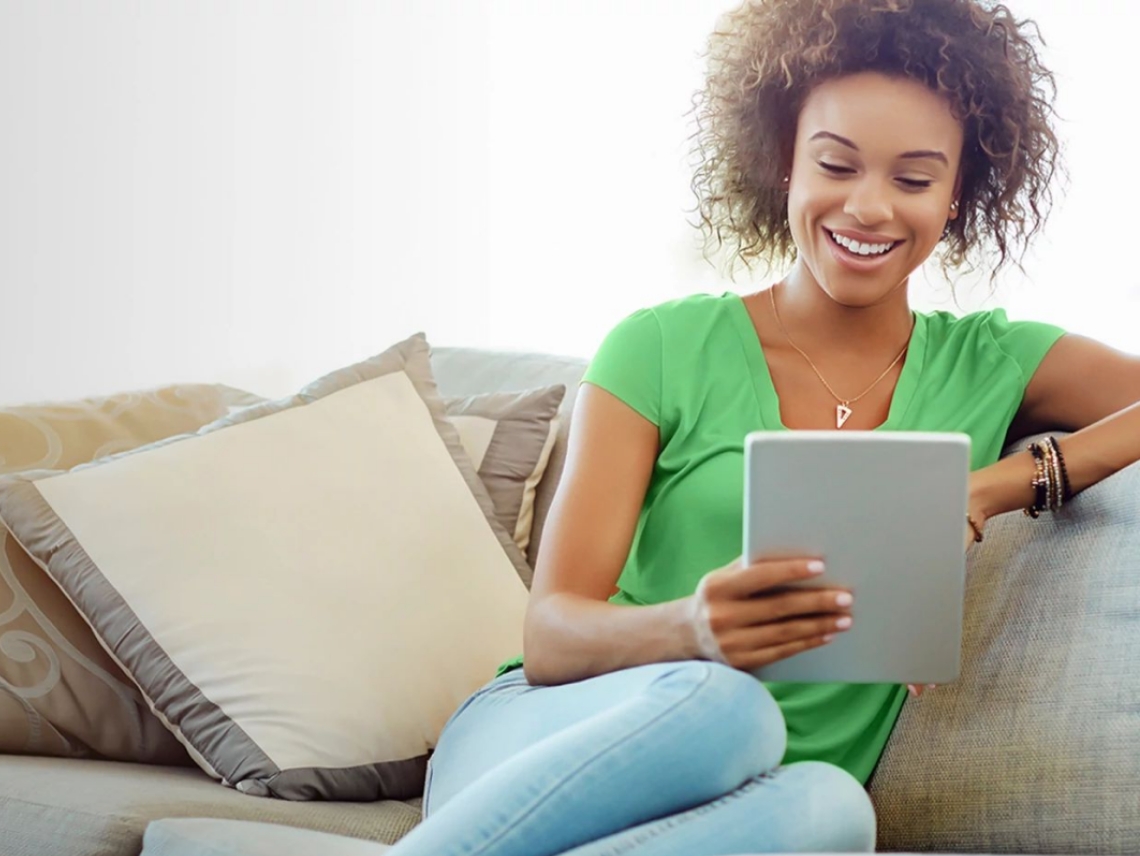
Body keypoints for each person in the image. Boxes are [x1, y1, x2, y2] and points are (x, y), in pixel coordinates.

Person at [391, 1, 1140, 854]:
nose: (868, 208)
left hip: (755, 806)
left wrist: (997, 487)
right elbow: (552, 633)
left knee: (834, 810)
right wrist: (692, 631)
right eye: (837, 165)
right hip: (549, 742)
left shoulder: (991, 363)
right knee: (728, 707)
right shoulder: (660, 346)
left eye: (913, 179)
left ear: (958, 195)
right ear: (784, 162)